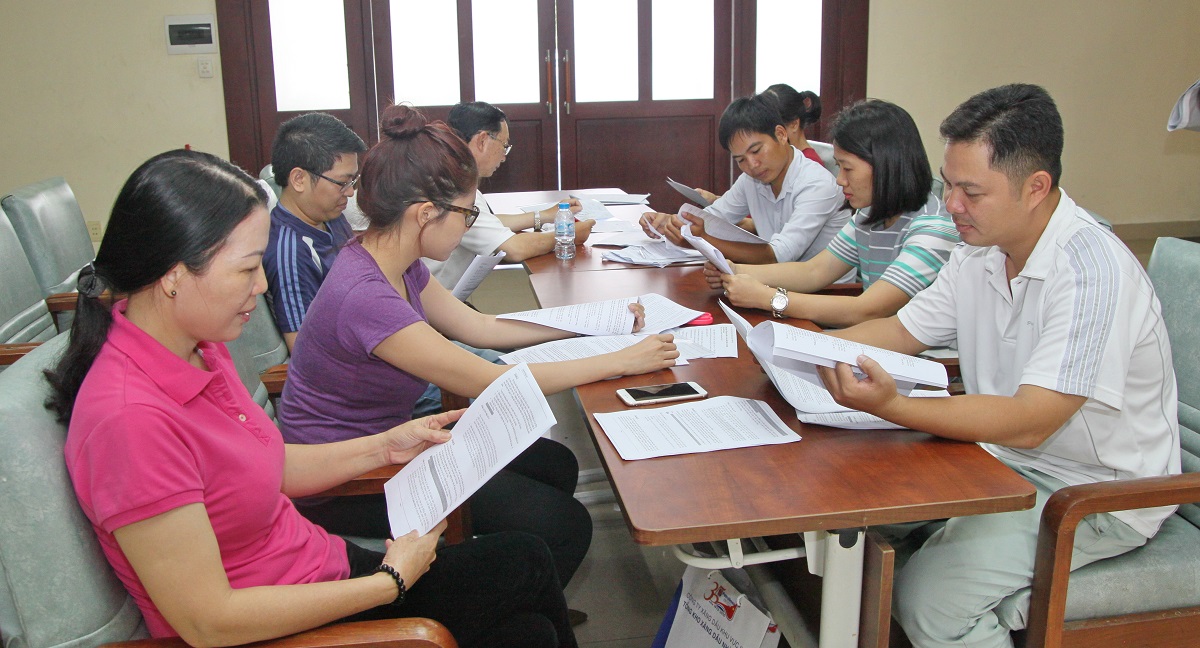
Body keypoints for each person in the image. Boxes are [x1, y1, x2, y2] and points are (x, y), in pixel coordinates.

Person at [49, 149, 577, 648]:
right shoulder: (129, 421)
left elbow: (269, 466)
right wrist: (389, 582)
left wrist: (385, 446)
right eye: (246, 268)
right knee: (525, 568)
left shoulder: (196, 346)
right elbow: (208, 621)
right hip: (277, 622)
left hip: (311, 567)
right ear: (173, 277)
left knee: (528, 618)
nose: (262, 286)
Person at [815, 84, 1180, 648]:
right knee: (848, 508)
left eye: (971, 192)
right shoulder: (978, 250)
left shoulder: (1091, 272)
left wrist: (894, 405)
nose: (951, 204)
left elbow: (1032, 421)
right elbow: (900, 331)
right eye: (948, 183)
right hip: (1001, 457)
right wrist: (805, 351)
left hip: (1092, 489)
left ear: (1036, 187)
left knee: (929, 603)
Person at [279, 104, 678, 594]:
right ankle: (509, 608)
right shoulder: (366, 295)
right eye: (467, 213)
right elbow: (490, 380)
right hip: (346, 478)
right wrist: (621, 361)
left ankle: (528, 600)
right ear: (425, 214)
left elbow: (479, 326)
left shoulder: (392, 259)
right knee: (565, 525)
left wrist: (587, 325)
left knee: (556, 464)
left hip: (393, 439)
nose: (470, 225)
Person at [703, 99, 959, 328]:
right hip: (872, 340)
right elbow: (814, 271)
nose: (839, 180)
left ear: (885, 165)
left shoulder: (933, 229)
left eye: (847, 168)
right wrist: (734, 269)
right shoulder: (869, 215)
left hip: (920, 358)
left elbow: (867, 309)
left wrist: (769, 298)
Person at [640, 93, 850, 265]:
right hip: (773, 282)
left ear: (781, 134)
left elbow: (780, 254)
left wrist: (702, 239)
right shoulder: (751, 180)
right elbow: (714, 217)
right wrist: (668, 222)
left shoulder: (816, 184)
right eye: (740, 160)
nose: (752, 165)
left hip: (823, 293)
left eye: (756, 151)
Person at [427, 101, 594, 290]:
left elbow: (486, 222)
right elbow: (515, 249)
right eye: (504, 145)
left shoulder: (448, 172)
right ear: (482, 140)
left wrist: (545, 216)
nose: (504, 156)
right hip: (434, 301)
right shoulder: (455, 186)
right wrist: (568, 236)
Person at [264, 112, 368, 351]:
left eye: (353, 181)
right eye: (342, 182)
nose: (350, 192)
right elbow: (304, 347)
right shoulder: (291, 253)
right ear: (299, 179)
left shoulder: (329, 216)